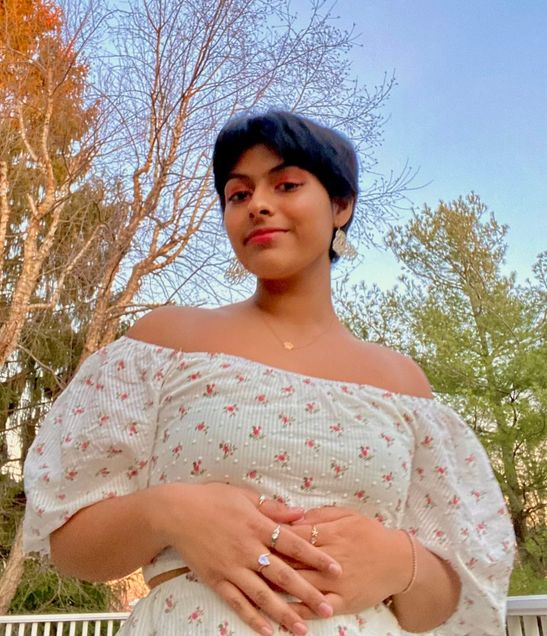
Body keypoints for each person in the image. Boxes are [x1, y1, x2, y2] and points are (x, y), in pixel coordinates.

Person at [23, 111, 515, 635]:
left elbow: (445, 604)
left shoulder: (403, 383)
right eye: (238, 194)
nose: (257, 204)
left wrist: (401, 561)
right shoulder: (162, 342)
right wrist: (169, 512)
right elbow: (71, 546)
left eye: (285, 184)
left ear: (341, 205)